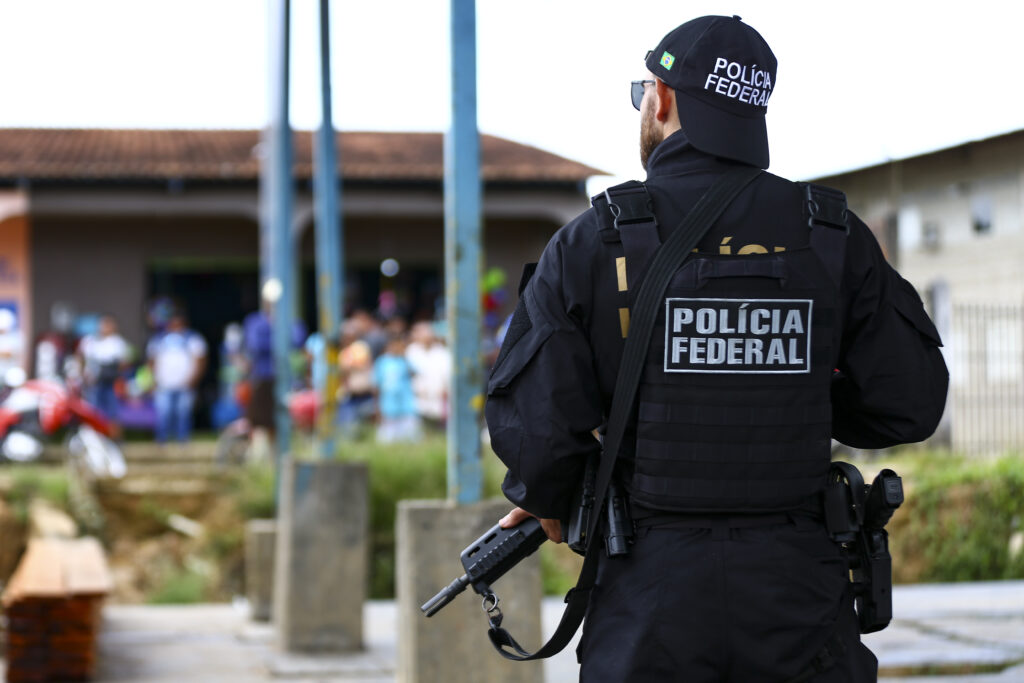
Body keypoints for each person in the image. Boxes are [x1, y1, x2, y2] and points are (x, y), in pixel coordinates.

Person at [486, 16, 949, 683]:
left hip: (650, 587)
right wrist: (795, 394)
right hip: (799, 586)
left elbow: (537, 431)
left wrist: (551, 492)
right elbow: (909, 403)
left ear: (664, 99)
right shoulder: (832, 235)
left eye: (644, 91)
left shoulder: (596, 240)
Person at [147, 311, 207, 443]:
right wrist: (153, 381)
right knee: (164, 414)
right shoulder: (159, 340)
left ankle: (183, 441)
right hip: (163, 384)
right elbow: (151, 362)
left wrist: (193, 380)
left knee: (183, 414)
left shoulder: (193, 339)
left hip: (185, 384)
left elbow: (201, 360)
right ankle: (161, 442)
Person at [78, 313, 130, 428]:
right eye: (104, 324)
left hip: (110, 383)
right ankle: (92, 435)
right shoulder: (90, 340)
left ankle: (114, 438)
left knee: (113, 412)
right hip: (93, 382)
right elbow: (80, 357)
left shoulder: (118, 343)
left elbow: (124, 363)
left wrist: (113, 372)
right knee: (92, 410)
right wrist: (83, 374)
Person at [372, 333, 420, 443]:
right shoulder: (382, 362)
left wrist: (404, 357)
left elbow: (414, 374)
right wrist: (377, 407)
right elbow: (376, 386)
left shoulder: (404, 361)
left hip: (407, 406)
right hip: (388, 407)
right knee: (387, 440)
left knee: (411, 439)